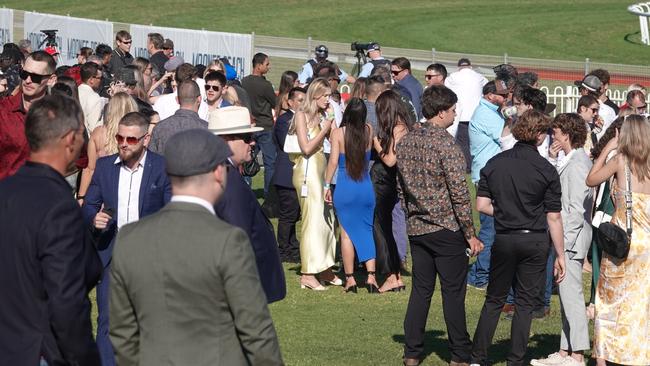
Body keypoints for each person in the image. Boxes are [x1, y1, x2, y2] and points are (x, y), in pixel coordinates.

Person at [109, 129, 283, 366]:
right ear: (219, 173)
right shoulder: (228, 241)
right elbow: (256, 331)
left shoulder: (130, 239)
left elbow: (122, 332)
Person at [0, 94, 102, 366]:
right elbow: (67, 301)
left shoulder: (6, 192)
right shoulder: (59, 208)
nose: (84, 142)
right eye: (83, 134)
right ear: (70, 139)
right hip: (38, 351)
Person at [470, 110, 566, 366]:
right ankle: (516, 359)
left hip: (505, 236)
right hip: (533, 239)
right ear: (538, 136)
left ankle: (477, 357)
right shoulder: (546, 169)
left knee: (494, 299)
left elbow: (481, 204)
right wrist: (561, 253)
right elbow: (553, 217)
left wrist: (504, 212)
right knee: (524, 303)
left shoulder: (495, 163)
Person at [396, 85, 482, 366]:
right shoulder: (446, 144)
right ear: (442, 112)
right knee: (453, 294)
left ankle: (412, 352)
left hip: (417, 226)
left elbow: (401, 187)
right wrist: (470, 234)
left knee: (421, 291)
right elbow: (459, 192)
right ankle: (459, 354)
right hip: (446, 229)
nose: (456, 114)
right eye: (453, 110)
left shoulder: (406, 141)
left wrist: (412, 213)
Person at [82, 111, 171, 366]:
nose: (123, 143)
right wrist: (93, 219)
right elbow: (89, 205)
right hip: (113, 254)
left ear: (145, 139)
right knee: (108, 321)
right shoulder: (104, 166)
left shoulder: (162, 167)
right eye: (120, 137)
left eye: (131, 140)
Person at [586, 114, 650, 366]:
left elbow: (591, 179)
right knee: (640, 301)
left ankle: (603, 357)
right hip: (646, 245)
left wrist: (608, 149)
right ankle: (638, 353)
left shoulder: (620, 161)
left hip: (621, 241)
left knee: (608, 299)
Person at [530, 113, 592, 366]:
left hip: (571, 241)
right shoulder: (573, 159)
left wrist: (562, 250)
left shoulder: (578, 164)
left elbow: (575, 211)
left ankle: (577, 355)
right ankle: (565, 351)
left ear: (566, 134)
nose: (552, 136)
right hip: (567, 239)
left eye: (555, 132)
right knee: (566, 296)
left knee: (572, 298)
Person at [211, 106, 286, 303]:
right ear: (224, 140)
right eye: (246, 137)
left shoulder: (220, 171)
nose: (252, 142)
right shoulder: (228, 179)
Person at [324, 98, 377, 293]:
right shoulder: (369, 130)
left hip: (346, 187)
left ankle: (350, 279)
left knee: (346, 235)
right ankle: (371, 277)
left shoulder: (338, 133)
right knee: (366, 230)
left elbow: (333, 162)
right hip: (365, 187)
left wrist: (326, 184)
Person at [291, 78, 339, 290]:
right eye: (326, 96)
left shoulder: (323, 116)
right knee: (312, 221)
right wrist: (325, 128)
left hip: (320, 169)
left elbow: (336, 137)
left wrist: (331, 120)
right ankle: (308, 273)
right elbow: (307, 147)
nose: (329, 100)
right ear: (316, 96)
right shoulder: (301, 116)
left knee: (327, 220)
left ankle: (326, 267)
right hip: (307, 171)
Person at [466, 80, 509, 291]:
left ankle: (481, 271)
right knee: (490, 228)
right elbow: (507, 136)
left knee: (492, 227)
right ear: (490, 95)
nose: (506, 98)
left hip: (488, 174)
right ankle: (480, 275)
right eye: (502, 95)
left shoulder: (492, 111)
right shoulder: (487, 115)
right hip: (487, 177)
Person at [371, 89, 412, 293]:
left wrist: (375, 142)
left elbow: (390, 159)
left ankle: (390, 275)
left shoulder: (399, 128)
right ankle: (394, 275)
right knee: (384, 227)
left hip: (384, 181)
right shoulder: (400, 127)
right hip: (386, 181)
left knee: (380, 227)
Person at [0, 50, 57, 179]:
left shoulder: (60, 113)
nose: (28, 80)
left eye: (35, 77)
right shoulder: (3, 110)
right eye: (24, 74)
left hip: (42, 195)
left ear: (51, 79)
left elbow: (80, 159)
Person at [77, 93, 139, 202]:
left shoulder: (99, 133)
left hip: (104, 194)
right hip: (132, 191)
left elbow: (89, 169)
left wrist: (81, 197)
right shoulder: (139, 135)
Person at [273, 87, 306, 263]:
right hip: (286, 174)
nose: (303, 104)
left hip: (296, 173)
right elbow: (288, 143)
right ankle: (283, 248)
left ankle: (292, 244)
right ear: (290, 102)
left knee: (294, 213)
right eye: (300, 100)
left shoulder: (301, 119)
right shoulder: (284, 120)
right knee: (288, 214)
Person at [242, 52, 277, 196]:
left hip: (249, 126)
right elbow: (275, 103)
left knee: (245, 161)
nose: (269, 67)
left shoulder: (244, 81)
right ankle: (269, 194)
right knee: (270, 163)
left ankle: (243, 190)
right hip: (265, 127)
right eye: (267, 64)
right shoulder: (266, 85)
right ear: (259, 65)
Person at [444, 58, 488, 166]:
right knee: (475, 141)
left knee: (463, 142)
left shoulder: (453, 77)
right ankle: (476, 163)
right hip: (477, 115)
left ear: (459, 67)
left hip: (461, 115)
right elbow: (487, 86)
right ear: (470, 66)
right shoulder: (479, 77)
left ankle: (467, 165)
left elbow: (446, 88)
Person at [150, 80, 208, 154]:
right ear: (199, 99)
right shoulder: (207, 129)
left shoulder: (160, 128)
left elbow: (151, 160)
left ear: (177, 100)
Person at [78, 61, 104, 133]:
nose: (101, 81)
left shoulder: (76, 91)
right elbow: (94, 129)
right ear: (91, 80)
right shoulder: (94, 98)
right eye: (100, 78)